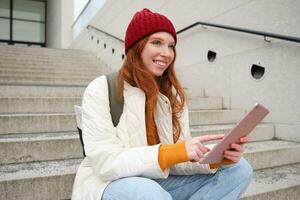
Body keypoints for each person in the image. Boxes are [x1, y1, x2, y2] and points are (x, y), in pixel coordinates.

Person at [71, 8, 253, 200]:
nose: (166, 53)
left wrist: (214, 157)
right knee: (148, 192)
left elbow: (177, 161)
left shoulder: (171, 95)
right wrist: (169, 153)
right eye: (156, 43)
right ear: (136, 46)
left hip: (158, 181)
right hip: (108, 183)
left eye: (171, 46)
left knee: (239, 169)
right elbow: (104, 162)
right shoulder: (102, 88)